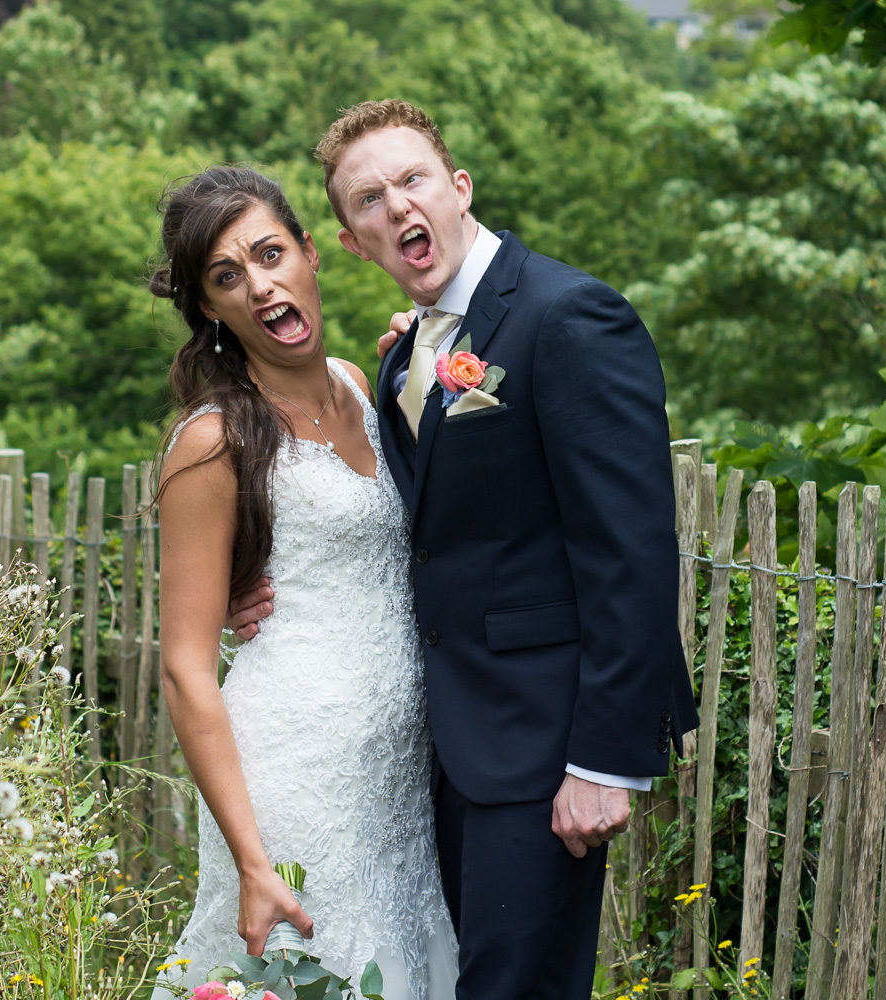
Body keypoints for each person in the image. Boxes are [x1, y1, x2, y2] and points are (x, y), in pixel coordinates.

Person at [227, 100, 700, 999]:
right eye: (369, 200)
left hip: (546, 745)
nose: (397, 207)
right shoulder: (410, 360)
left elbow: (630, 550)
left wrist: (602, 762)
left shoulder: (570, 317)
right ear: (352, 240)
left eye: (411, 180)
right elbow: (418, 529)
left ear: (458, 187)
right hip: (442, 747)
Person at [149, 165, 458, 1000]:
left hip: (396, 783)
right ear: (212, 309)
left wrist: (420, 354)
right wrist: (254, 859)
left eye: (270, 253)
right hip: (295, 781)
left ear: (312, 254)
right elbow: (184, 668)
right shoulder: (211, 444)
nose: (258, 284)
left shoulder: (366, 384)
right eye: (226, 277)